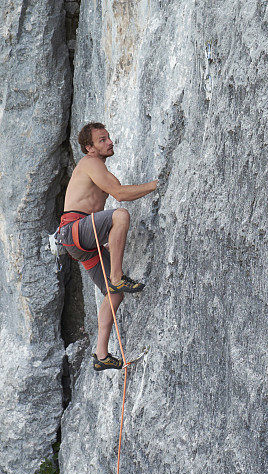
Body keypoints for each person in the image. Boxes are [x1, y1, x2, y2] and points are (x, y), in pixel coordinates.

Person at [56, 122, 158, 370]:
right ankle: (117, 275)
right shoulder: (90, 163)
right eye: (102, 140)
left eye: (109, 138)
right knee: (120, 215)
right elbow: (120, 194)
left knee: (114, 295)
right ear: (89, 148)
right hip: (74, 229)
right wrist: (158, 184)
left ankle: (101, 355)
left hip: (80, 242)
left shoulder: (97, 166)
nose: (110, 142)